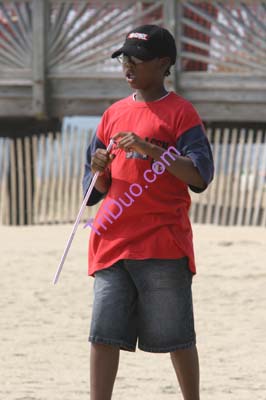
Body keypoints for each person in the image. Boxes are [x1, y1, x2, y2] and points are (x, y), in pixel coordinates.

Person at [82, 24, 214, 400]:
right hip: (111, 243)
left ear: (162, 64)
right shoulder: (112, 114)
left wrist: (153, 149)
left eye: (136, 60)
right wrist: (97, 170)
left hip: (163, 244)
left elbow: (200, 176)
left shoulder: (181, 113)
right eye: (123, 59)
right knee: (102, 335)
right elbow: (96, 191)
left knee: (178, 338)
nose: (127, 67)